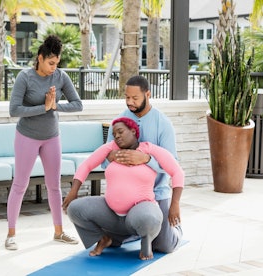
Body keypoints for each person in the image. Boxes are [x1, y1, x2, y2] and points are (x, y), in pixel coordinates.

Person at [66, 75, 183, 255]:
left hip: (155, 194)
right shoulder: (119, 122)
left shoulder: (163, 124)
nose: (130, 102)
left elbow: (172, 165)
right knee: (121, 230)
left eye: (135, 98)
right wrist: (112, 156)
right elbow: (104, 160)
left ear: (148, 95)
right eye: (127, 97)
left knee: (163, 246)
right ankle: (128, 233)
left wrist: (146, 160)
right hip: (121, 197)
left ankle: (173, 231)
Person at [5, 35, 82, 250]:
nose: (53, 68)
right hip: (27, 137)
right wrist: (44, 108)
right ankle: (11, 234)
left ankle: (59, 231)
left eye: (57, 63)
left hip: (52, 137)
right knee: (20, 184)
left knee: (54, 186)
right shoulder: (25, 77)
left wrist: (56, 106)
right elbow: (14, 110)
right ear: (40, 58)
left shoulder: (61, 76)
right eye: (50, 63)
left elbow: (78, 105)